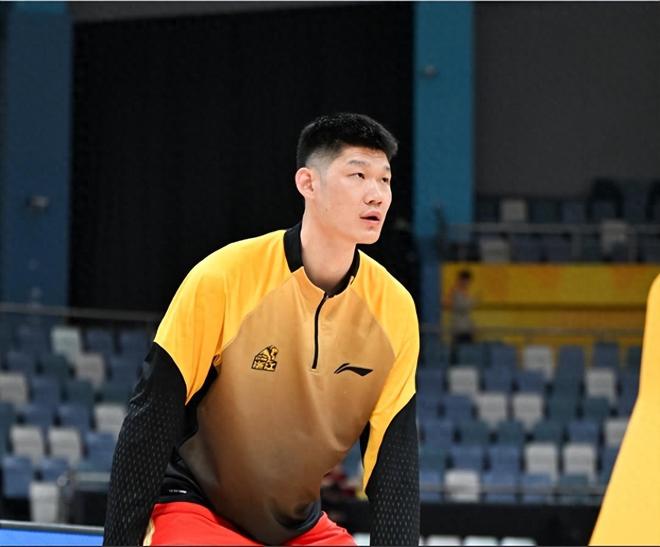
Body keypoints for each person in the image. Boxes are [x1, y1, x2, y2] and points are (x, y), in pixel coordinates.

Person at [102, 113, 420, 546]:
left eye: (384, 179)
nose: (376, 194)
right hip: (198, 507)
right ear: (308, 183)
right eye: (358, 175)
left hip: (298, 526)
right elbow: (151, 416)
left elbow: (394, 465)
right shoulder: (223, 277)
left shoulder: (395, 309)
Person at [446, 269, 475, 363]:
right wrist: (470, 302)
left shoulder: (466, 293)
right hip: (458, 327)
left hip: (467, 327)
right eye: (465, 280)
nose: (467, 283)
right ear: (461, 280)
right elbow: (457, 306)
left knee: (468, 351)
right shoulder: (455, 292)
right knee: (456, 351)